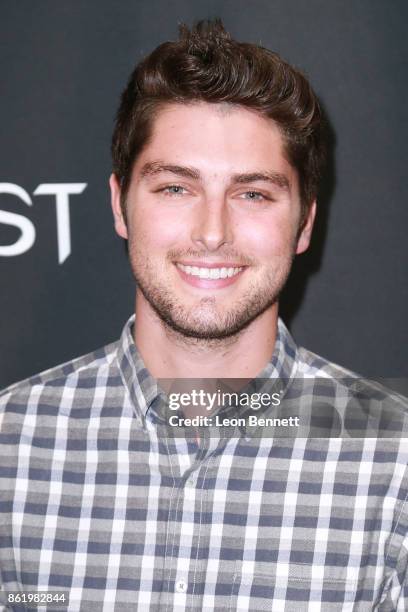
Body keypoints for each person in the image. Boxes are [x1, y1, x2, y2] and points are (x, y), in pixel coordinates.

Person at [0, 19, 407, 612]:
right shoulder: (11, 446)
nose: (212, 233)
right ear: (119, 205)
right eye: (174, 188)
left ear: (305, 224)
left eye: (253, 194)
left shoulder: (395, 463)